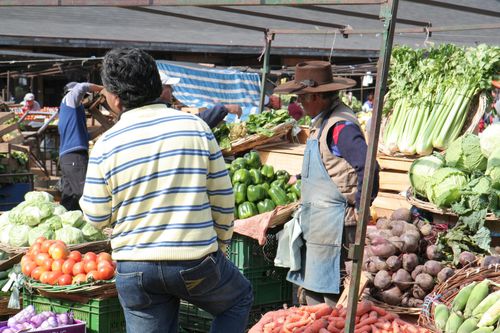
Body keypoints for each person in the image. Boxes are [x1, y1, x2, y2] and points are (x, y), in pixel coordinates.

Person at [80, 48, 253, 333]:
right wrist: (220, 243)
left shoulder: (106, 144)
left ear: (116, 98)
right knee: (237, 299)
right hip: (195, 262)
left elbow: (96, 216)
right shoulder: (195, 127)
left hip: (135, 268)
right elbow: (223, 197)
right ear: (158, 85)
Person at [274, 61, 379, 306]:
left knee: (331, 294)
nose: (299, 103)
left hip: (336, 225)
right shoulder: (323, 121)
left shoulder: (340, 127)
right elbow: (332, 165)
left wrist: (363, 208)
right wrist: (300, 179)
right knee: (313, 292)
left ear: (318, 96)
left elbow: (368, 165)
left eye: (303, 98)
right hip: (319, 221)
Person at [58, 82, 103, 211]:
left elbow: (86, 137)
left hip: (68, 157)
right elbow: (80, 87)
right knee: (83, 193)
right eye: (83, 97)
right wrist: (103, 89)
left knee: (70, 196)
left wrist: (102, 128)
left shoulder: (72, 112)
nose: (83, 99)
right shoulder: (70, 100)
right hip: (74, 156)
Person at [159, 72, 242, 128]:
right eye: (168, 86)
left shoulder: (163, 109)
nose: (172, 90)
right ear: (160, 90)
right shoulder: (163, 114)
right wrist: (224, 108)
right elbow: (194, 124)